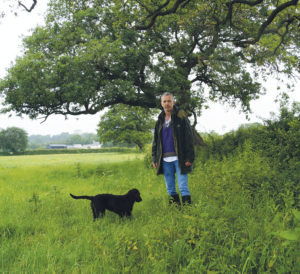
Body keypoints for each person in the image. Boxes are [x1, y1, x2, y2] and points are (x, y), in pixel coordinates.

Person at [152, 92, 195, 206]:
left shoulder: (181, 117)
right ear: (161, 104)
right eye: (164, 101)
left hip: (179, 158)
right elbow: (155, 141)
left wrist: (189, 157)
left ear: (173, 102)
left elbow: (189, 138)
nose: (167, 104)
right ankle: (176, 212)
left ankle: (188, 211)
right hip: (165, 160)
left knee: (183, 187)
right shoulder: (159, 121)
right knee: (170, 188)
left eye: (169, 101)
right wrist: (154, 158)